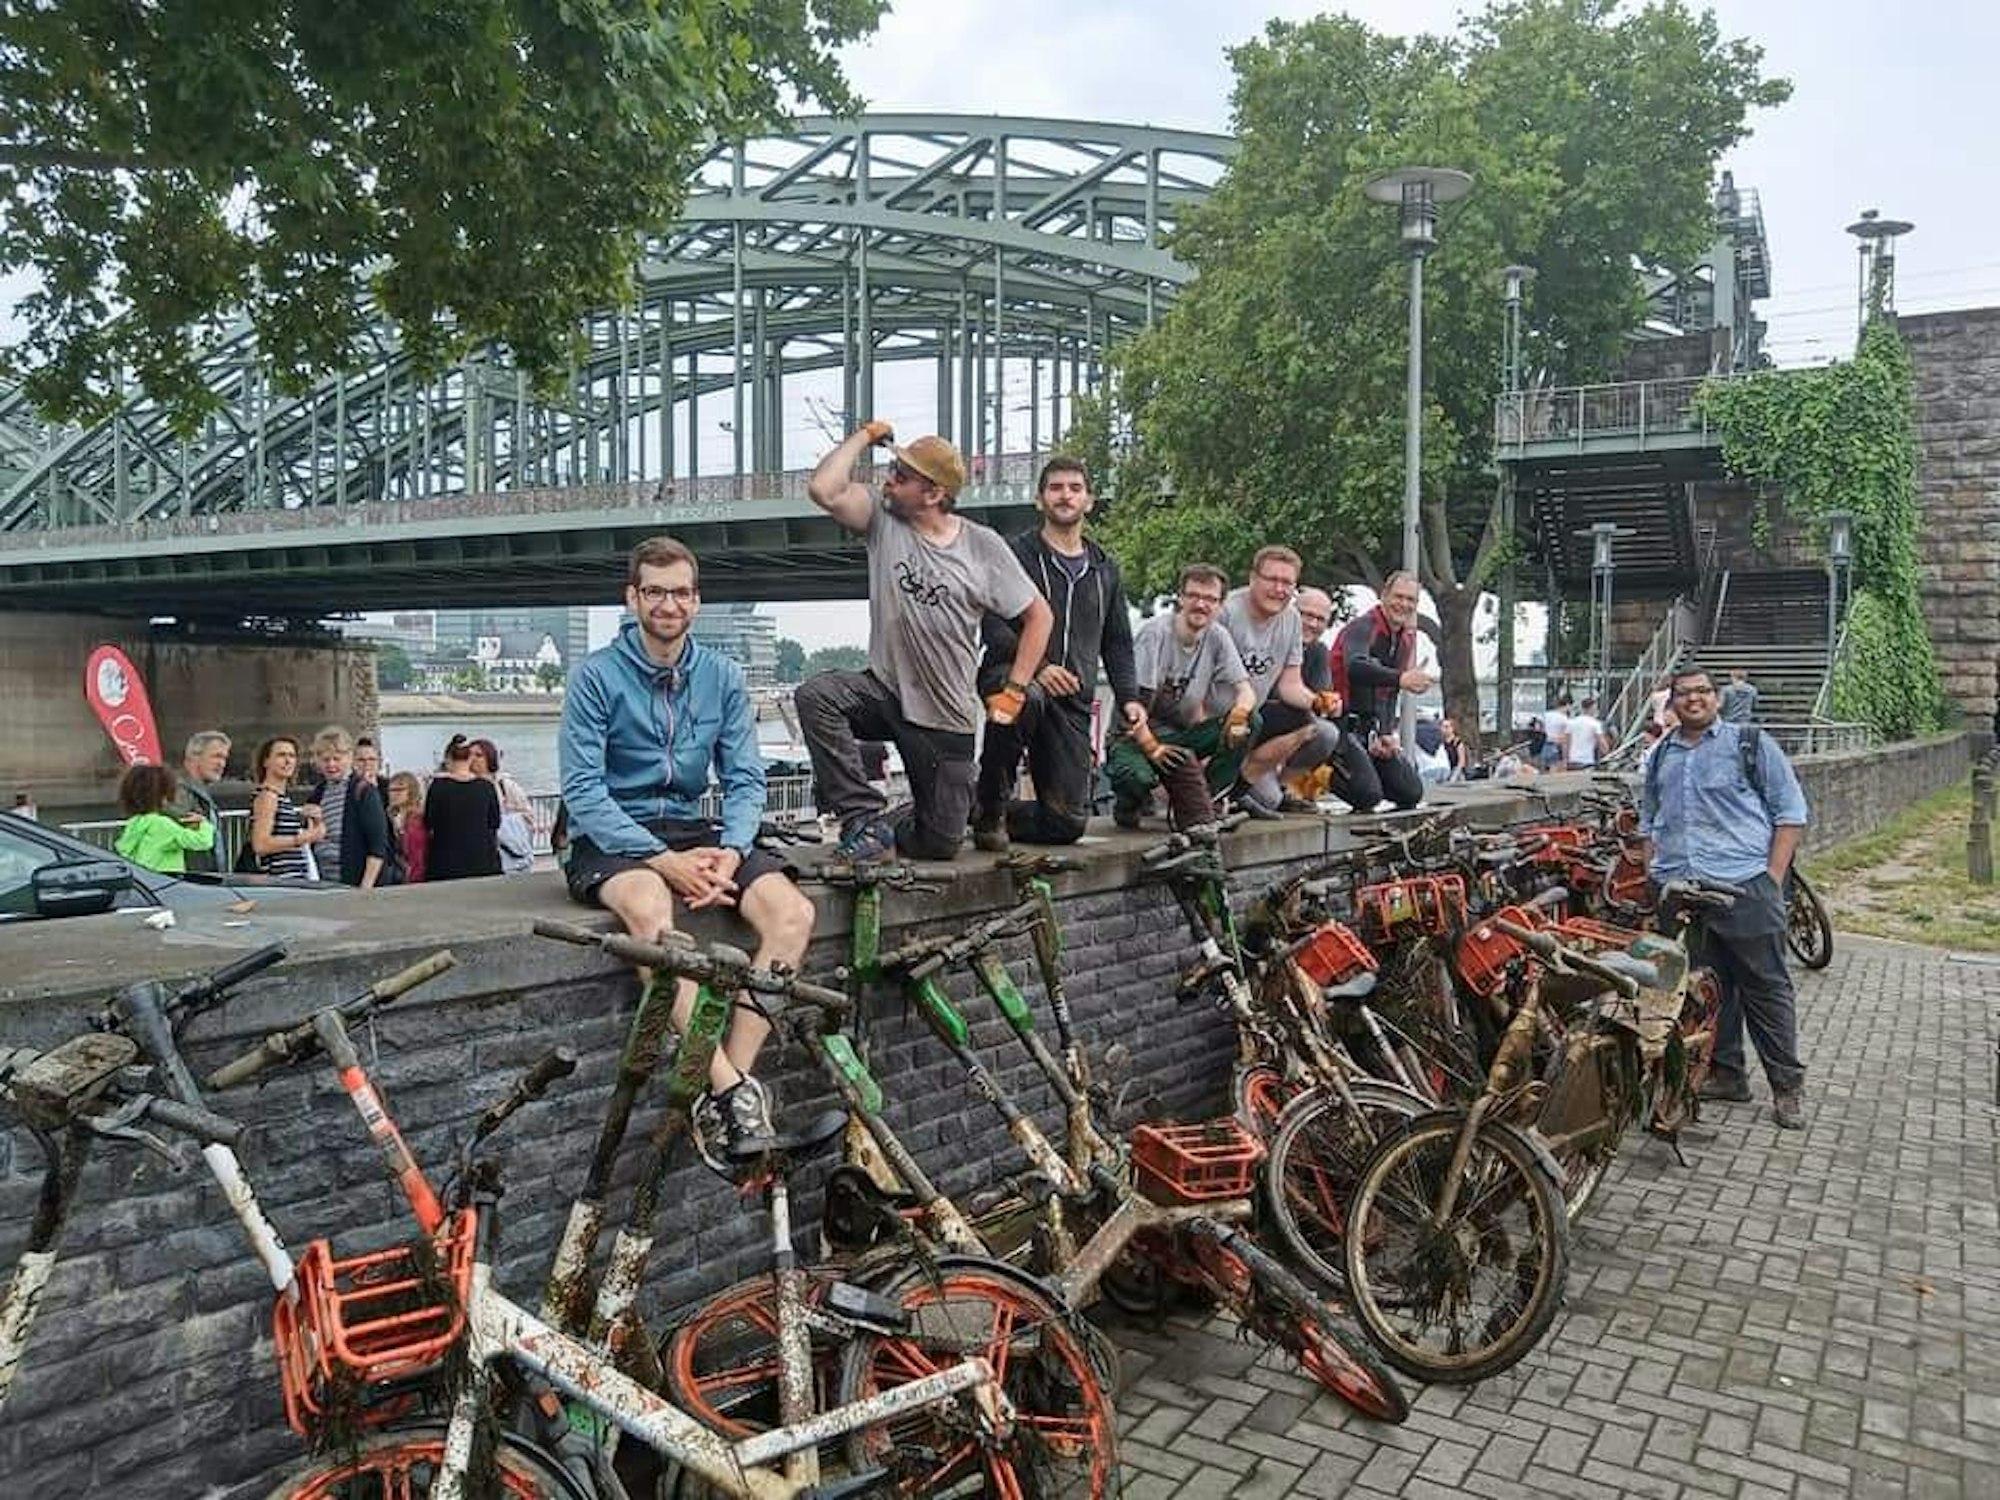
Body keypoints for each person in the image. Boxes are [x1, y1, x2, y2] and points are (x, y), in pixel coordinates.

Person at [559, 534, 818, 1151]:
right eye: (654, 591)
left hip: (695, 831)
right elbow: (583, 791)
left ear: (696, 602)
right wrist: (665, 861)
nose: (667, 604)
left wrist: (731, 849)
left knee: (792, 915)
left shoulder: (722, 677)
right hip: (611, 833)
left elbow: (747, 777)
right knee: (651, 909)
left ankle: (732, 1084)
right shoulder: (594, 678)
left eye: (679, 592)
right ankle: (732, 1095)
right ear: (633, 597)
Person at [798, 421, 1052, 862]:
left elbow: (1039, 617)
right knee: (816, 697)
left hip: (944, 716)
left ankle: (899, 823)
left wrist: (1014, 690)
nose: (888, 478)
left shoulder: (982, 546)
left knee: (941, 845)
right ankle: (864, 819)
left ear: (934, 494)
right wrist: (864, 436)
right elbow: (824, 487)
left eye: (902, 474)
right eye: (892, 467)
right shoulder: (883, 520)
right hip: (885, 691)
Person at [1638, 666, 1809, 1130]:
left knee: (1765, 986)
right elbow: (1647, 818)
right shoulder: (1660, 756)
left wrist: (1772, 877)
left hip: (1743, 884)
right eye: (1684, 694)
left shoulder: (1749, 743)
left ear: (1717, 698)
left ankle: (1786, 1085)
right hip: (1682, 890)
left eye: (1703, 692)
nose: (1694, 700)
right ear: (1671, 701)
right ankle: (1726, 1073)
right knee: (1705, 988)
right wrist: (1654, 870)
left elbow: (1790, 811)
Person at [972, 456, 1144, 851]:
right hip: (1010, 675)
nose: (1065, 495)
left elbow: (1117, 641)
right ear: (1039, 500)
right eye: (1055, 488)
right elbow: (994, 626)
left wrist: (1131, 697)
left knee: (1067, 824)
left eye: (1074, 488)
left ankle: (972, 808)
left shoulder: (1105, 569)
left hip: (1072, 696)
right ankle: (992, 805)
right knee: (1022, 698)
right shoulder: (1015, 554)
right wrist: (1040, 668)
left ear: (1089, 500)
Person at [1106, 564, 1258, 830]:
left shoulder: (1218, 637)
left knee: (1252, 722)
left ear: (1221, 605)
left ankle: (1204, 803)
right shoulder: (1155, 633)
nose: (1201, 605)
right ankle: (1129, 803)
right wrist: (1152, 748)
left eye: (1210, 599)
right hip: (1133, 739)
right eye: (1194, 596)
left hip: (1179, 735)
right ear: (1181, 597)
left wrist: (1240, 713)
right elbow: (1133, 707)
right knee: (1137, 778)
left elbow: (1245, 689)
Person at [1220, 547, 1343, 817]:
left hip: (1252, 719)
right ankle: (1216, 788)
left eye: (1287, 583)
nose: (1278, 589)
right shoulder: (1227, 612)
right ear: (1253, 578)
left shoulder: (1290, 619)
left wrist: (1319, 701)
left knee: (1310, 723)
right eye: (1271, 580)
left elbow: (1290, 685)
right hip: (1214, 716)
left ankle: (1240, 787)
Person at [1327, 570, 1429, 811]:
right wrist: (1401, 678)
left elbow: (1390, 693)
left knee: (1411, 792)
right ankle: (1319, 773)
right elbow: (1356, 667)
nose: (1403, 604)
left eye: (1410, 600)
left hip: (1370, 729)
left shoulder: (1406, 639)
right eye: (1398, 597)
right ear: (1384, 595)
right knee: (1368, 795)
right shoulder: (1362, 626)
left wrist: (1385, 731)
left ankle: (1368, 768)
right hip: (1340, 725)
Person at [304, 725, 393, 888]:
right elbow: (314, 838)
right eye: (325, 759)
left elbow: (378, 845)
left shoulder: (364, 791)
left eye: (336, 759)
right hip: (323, 881)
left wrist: (364, 888)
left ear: (349, 758)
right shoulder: (318, 792)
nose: (331, 765)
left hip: (353, 882)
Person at [424, 734, 501, 880]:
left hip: (445, 862)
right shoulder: (486, 787)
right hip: (482, 861)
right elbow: (494, 822)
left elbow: (429, 822)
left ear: (448, 759)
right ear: (469, 758)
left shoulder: (438, 786)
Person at [114, 762, 214, 874]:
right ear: (164, 794)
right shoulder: (162, 825)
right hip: (166, 881)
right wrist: (204, 824)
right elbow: (203, 842)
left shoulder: (135, 823)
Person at [247, 736, 324, 880]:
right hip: (279, 882)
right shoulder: (268, 796)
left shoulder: (281, 797)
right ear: (266, 761)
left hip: (293, 879)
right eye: (281, 755)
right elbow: (260, 844)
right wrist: (300, 839)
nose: (288, 761)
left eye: (292, 756)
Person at [470, 737, 537, 874]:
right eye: (469, 755)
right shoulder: (465, 786)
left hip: (505, 851)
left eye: (479, 755)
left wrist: (508, 816)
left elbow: (529, 817)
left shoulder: (506, 785)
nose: (473, 759)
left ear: (490, 758)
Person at [176, 730, 231, 874]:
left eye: (224, 758)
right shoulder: (179, 792)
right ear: (194, 757)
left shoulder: (199, 792)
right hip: (190, 881)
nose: (222, 764)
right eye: (216, 756)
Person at [386, 770, 429, 884]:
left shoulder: (418, 818)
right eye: (391, 790)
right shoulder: (390, 817)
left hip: (416, 877)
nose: (393, 794)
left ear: (411, 791)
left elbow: (417, 853)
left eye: (399, 790)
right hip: (396, 877)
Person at [1561, 696, 1609, 770]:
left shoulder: (1571, 722)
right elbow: (1602, 743)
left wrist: (1565, 759)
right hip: (1587, 761)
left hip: (1572, 760)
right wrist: (1607, 753)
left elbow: (1566, 743)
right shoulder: (1595, 724)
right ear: (1592, 708)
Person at [353, 736, 391, 802]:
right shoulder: (346, 788)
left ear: (379, 761)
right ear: (353, 762)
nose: (367, 763)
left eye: (371, 759)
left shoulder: (389, 787)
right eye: (361, 760)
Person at [1540, 694, 1573, 770]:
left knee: (1544, 771)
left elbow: (1539, 728)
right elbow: (1565, 739)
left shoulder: (1547, 715)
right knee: (1554, 774)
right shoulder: (1564, 719)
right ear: (1567, 705)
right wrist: (1566, 758)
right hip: (1556, 747)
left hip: (1545, 745)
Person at [1438, 717, 1470, 782]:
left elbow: (1462, 761)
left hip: (1456, 770)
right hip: (1445, 769)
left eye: (1447, 727)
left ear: (1452, 728)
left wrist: (1455, 774)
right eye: (1443, 727)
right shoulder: (1441, 742)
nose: (1444, 729)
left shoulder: (1457, 742)